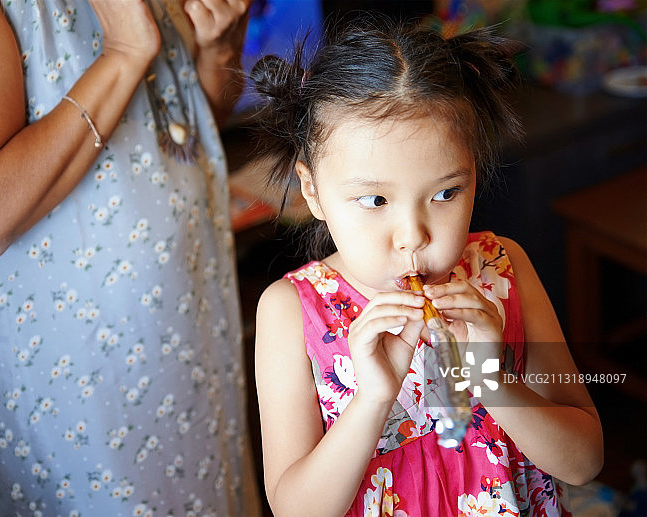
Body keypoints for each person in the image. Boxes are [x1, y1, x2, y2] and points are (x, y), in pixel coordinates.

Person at [0, 0, 261, 515]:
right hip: (81, 389)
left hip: (192, 340)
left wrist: (217, 47)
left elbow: (184, 129)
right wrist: (124, 54)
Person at [250, 15, 603, 517]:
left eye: (445, 193)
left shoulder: (503, 271)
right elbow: (295, 510)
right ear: (313, 191)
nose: (413, 236)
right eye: (374, 199)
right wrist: (374, 397)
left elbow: (585, 461)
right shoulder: (291, 312)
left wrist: (491, 381)